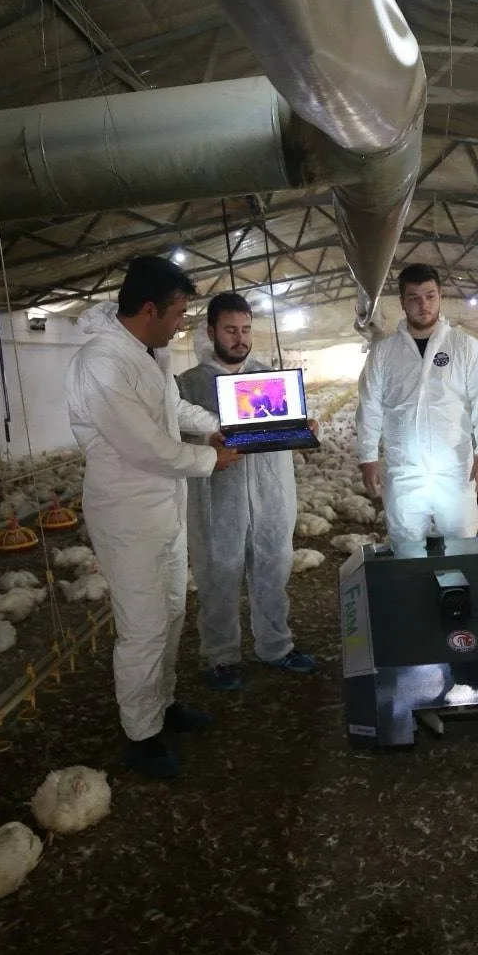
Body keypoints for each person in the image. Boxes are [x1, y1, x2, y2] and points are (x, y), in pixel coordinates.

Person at [67, 256, 241, 779]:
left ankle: (162, 705)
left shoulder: (148, 352)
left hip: (163, 505)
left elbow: (170, 410)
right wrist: (211, 459)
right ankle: (140, 734)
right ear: (148, 310)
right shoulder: (102, 363)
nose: (182, 325)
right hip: (127, 515)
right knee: (142, 628)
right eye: (178, 314)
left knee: (170, 613)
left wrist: (214, 425)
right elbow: (143, 444)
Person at [177, 293, 317, 691]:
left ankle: (276, 646)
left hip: (271, 493)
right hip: (217, 499)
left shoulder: (268, 377)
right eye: (230, 330)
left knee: (273, 570)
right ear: (211, 332)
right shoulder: (188, 385)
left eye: (245, 330)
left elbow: (281, 429)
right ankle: (221, 657)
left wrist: (304, 429)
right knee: (217, 577)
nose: (240, 339)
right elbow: (178, 438)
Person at [356, 263, 478, 555]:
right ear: (402, 302)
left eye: (430, 296)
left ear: (440, 296)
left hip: (454, 468)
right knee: (406, 544)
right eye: (414, 297)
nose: (423, 305)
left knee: (461, 542)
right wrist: (367, 457)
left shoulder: (464, 346)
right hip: (404, 468)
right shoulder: (384, 351)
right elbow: (369, 405)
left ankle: (458, 585)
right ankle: (412, 582)